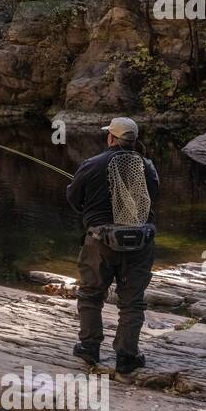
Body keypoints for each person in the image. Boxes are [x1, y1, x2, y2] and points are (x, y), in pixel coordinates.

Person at [65, 117, 159, 374]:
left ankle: (89, 348)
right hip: (140, 245)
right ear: (133, 140)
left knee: (91, 294)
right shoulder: (148, 167)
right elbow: (153, 200)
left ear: (110, 138)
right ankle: (127, 358)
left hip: (100, 243)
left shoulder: (92, 164)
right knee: (132, 302)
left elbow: (74, 199)